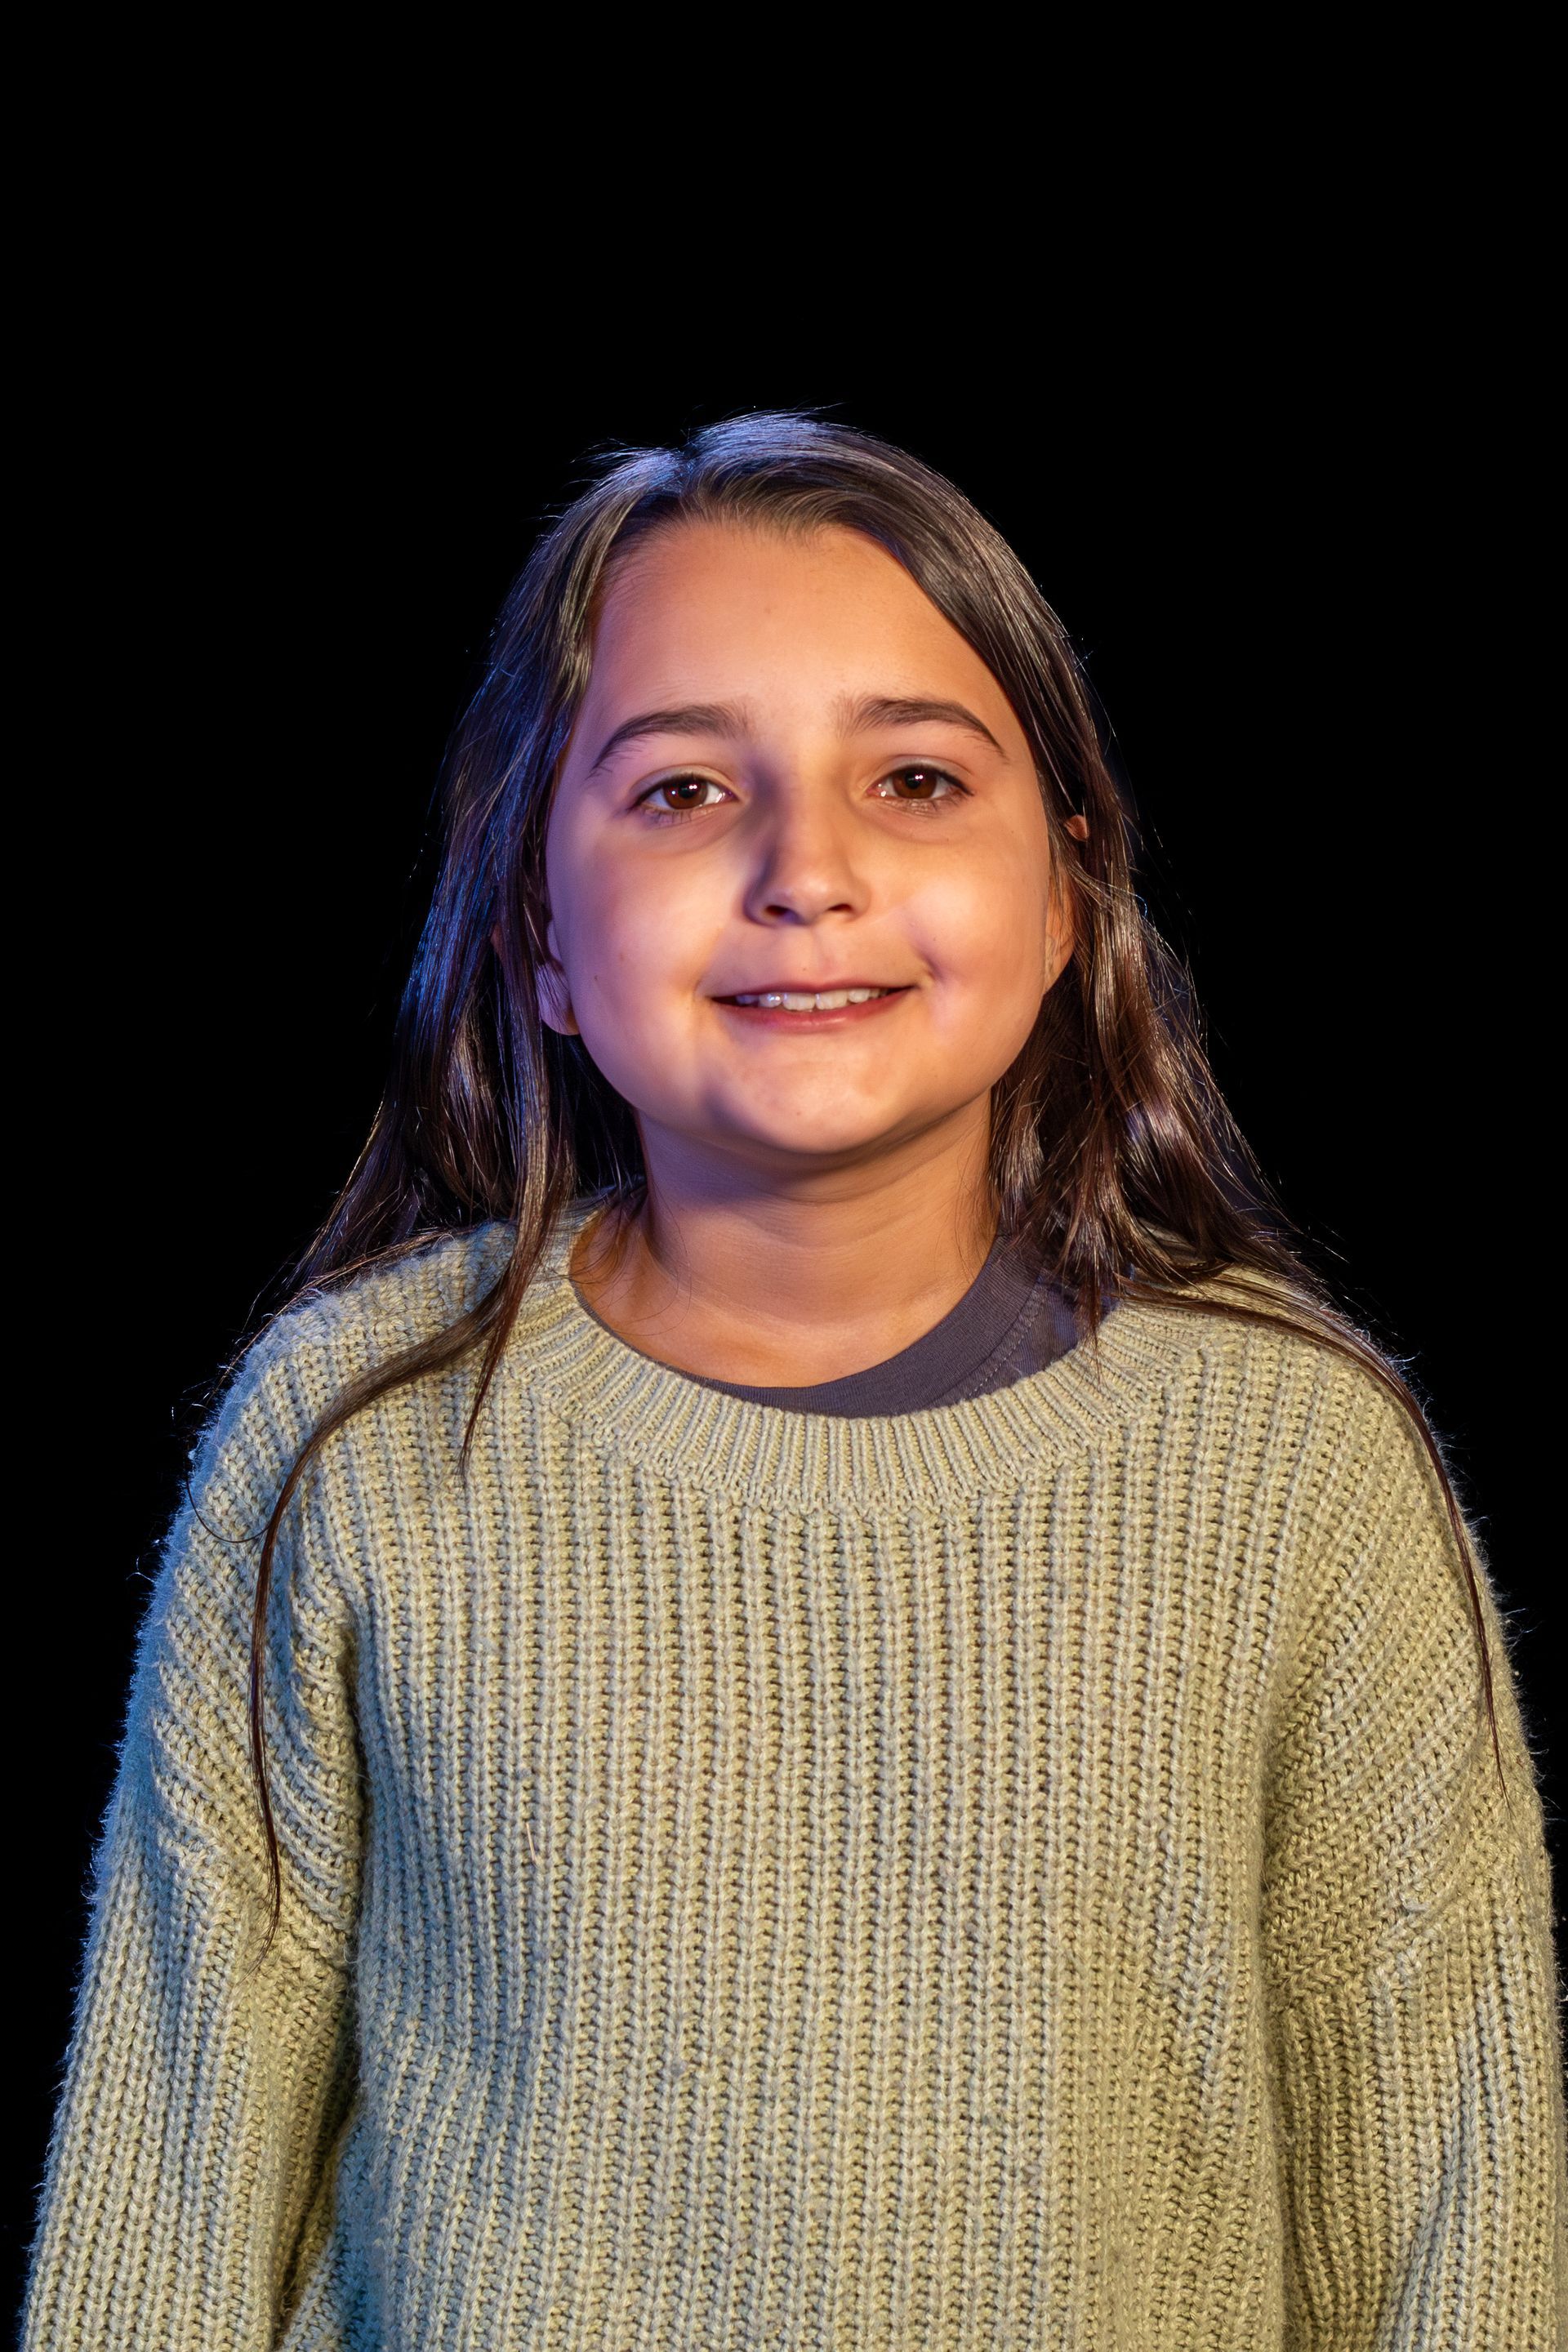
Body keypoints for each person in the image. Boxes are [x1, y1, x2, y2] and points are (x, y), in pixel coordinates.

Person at [24, 413, 1566, 2350]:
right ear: (539, 939)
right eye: (681, 793)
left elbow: (1447, 2214)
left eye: (915, 776)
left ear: (1072, 882)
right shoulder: (360, 1435)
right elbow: (164, 2178)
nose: (806, 870)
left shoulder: (1298, 1464)